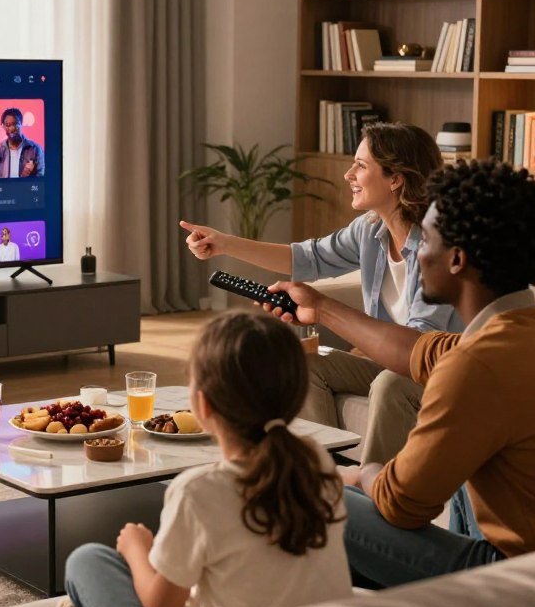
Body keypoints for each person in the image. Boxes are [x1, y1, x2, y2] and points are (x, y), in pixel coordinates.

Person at [270, 160, 535, 588]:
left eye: (424, 240)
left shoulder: (477, 368)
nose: (416, 251)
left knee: (304, 494)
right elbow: (416, 350)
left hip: (529, 578)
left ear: (457, 259)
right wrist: (320, 307)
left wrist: (352, 474)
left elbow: (400, 505)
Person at [56, 310, 352, 607]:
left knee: (86, 561)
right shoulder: (316, 461)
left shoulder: (198, 491)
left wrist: (137, 549)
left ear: (201, 405)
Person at [182, 122, 462, 465]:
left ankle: (372, 490)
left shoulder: (438, 246)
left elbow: (418, 350)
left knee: (390, 383)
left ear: (395, 179)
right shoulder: (370, 230)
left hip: (442, 371)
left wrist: (327, 312)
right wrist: (223, 243)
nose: (348, 174)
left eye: (361, 165)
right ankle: (320, 474)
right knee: (304, 364)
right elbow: (306, 258)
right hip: (392, 363)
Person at [0, 108, 44, 178]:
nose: (12, 128)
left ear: (21, 123)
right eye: (8, 125)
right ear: (3, 126)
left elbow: (42, 178)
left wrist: (29, 177)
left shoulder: (36, 150)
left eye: (15, 124)